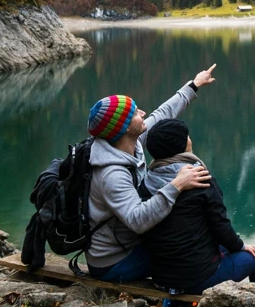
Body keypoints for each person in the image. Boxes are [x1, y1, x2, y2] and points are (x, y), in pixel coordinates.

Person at [84, 65, 218, 282]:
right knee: (192, 252)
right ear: (125, 127)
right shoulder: (111, 174)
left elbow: (163, 113)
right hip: (114, 260)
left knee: (195, 240)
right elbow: (138, 220)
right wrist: (176, 185)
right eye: (136, 112)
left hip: (130, 242)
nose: (143, 113)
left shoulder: (130, 142)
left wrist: (194, 85)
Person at [140, 119, 255, 300]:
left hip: (161, 278)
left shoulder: (148, 180)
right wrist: (241, 246)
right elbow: (221, 226)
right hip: (196, 279)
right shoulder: (200, 179)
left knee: (222, 245)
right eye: (187, 136)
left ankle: (173, 306)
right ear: (183, 144)